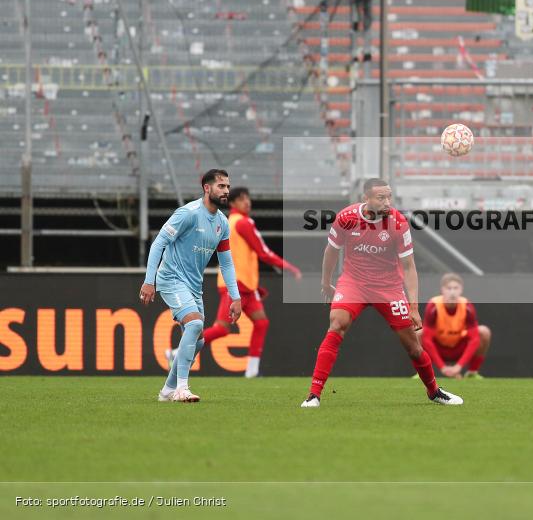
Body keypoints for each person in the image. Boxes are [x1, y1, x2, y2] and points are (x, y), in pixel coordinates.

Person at [300, 178, 463, 407]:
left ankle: (434, 391)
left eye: (389, 197)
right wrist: (326, 283)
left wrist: (413, 306)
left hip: (388, 287)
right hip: (353, 283)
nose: (387, 202)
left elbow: (409, 266)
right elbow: (331, 252)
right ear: (365, 199)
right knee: (336, 324)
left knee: (413, 346)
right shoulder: (346, 218)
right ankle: (313, 395)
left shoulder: (398, 223)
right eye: (381, 198)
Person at [168, 187, 303, 378]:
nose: (247, 202)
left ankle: (252, 371)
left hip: (244, 285)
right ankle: (178, 353)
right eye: (241, 199)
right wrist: (288, 267)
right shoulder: (242, 223)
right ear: (232, 203)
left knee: (261, 322)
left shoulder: (228, 222)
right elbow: (263, 251)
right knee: (222, 328)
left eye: (248, 198)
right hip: (236, 285)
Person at [140, 169, 241, 403]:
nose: (226, 191)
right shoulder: (188, 214)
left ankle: (167, 390)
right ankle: (182, 389)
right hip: (171, 278)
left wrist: (235, 297)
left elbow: (226, 263)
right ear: (207, 188)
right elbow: (159, 243)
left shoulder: (222, 224)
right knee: (195, 324)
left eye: (227, 186)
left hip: (194, 286)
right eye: (221, 186)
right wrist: (149, 280)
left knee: (199, 340)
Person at [422, 273, 491, 379]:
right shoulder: (433, 305)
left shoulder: (467, 306)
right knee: (418, 333)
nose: (452, 292)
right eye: (449, 288)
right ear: (442, 290)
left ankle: (472, 373)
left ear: (461, 290)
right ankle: (422, 372)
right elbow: (427, 339)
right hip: (439, 349)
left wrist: (458, 367)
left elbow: (474, 339)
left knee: (484, 331)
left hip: (459, 349)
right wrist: (442, 367)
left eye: (455, 288)